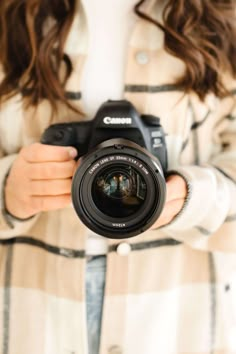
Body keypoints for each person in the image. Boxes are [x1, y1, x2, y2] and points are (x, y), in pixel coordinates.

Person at [0, 0, 236, 353]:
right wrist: (10, 190)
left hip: (170, 312)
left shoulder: (221, 15)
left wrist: (191, 197)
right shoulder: (8, 17)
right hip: (37, 311)